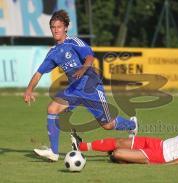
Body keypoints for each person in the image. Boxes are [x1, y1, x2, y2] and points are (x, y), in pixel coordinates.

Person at [23, 9, 137, 162]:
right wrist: (29, 90)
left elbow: (89, 56)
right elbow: (39, 73)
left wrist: (83, 68)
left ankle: (131, 125)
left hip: (91, 86)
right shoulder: (53, 53)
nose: (56, 30)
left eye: (59, 27)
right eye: (53, 27)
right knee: (52, 108)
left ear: (65, 28)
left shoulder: (73, 42)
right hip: (74, 89)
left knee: (107, 125)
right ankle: (54, 152)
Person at [71, 109, 178, 165]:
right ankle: (80, 146)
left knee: (117, 152)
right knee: (121, 141)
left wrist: (163, 166)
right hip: (160, 144)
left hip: (162, 156)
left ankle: (125, 159)